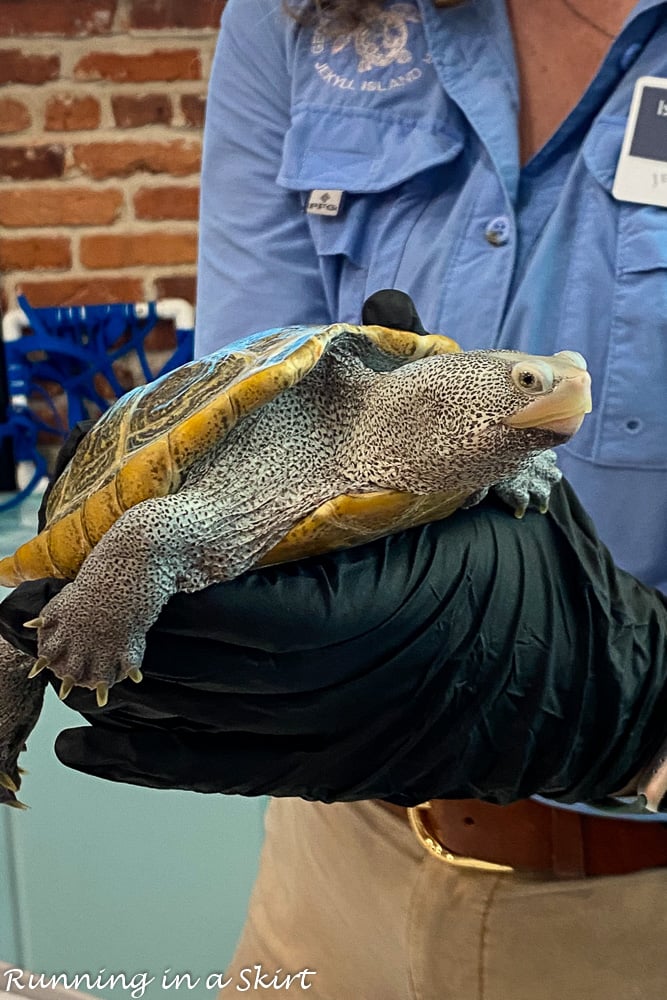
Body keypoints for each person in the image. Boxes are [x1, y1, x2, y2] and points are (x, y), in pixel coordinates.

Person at [3, 0, 667, 997]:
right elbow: (206, 433)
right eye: (526, 384)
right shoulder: (296, 16)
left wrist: (638, 710)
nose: (547, 395)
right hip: (329, 866)